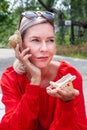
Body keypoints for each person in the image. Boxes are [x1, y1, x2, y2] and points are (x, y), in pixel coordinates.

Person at [0, 10, 87, 130]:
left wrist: (67, 104)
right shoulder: (11, 79)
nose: (45, 48)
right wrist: (35, 81)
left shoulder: (69, 75)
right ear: (20, 45)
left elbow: (80, 127)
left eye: (50, 40)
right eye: (35, 40)